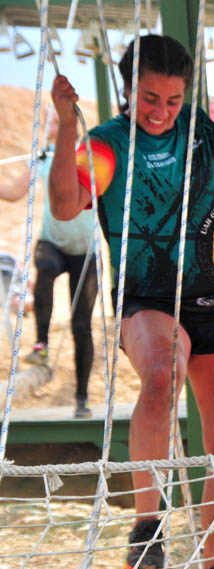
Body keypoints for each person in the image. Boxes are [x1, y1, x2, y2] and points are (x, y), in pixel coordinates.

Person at [49, 34, 214, 569]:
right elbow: (64, 205)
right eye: (150, 98)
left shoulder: (197, 129)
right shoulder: (107, 144)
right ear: (129, 89)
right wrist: (66, 127)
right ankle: (147, 525)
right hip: (148, 300)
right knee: (160, 376)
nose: (161, 111)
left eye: (173, 100)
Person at [0, 109, 97, 418]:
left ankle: (81, 398)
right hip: (52, 242)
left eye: (59, 121)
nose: (55, 127)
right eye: (51, 122)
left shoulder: (91, 157)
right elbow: (13, 193)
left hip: (86, 251)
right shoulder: (43, 157)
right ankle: (41, 344)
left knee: (81, 326)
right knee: (44, 268)